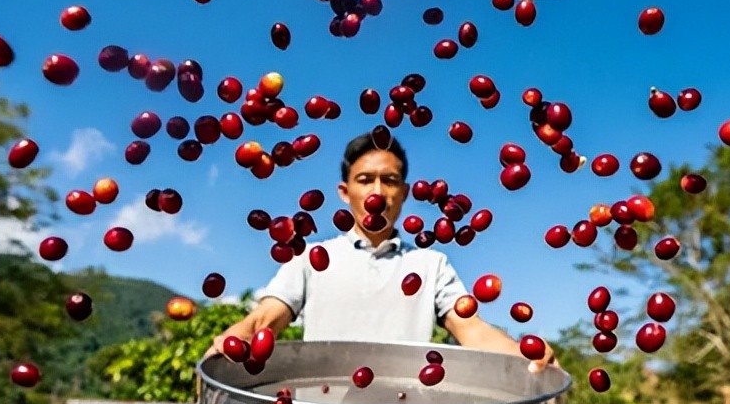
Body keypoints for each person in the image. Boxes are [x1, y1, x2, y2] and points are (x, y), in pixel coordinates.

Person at [205, 132, 556, 373]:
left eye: (389, 181)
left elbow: (471, 329)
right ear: (344, 192)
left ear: (404, 193)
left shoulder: (430, 263)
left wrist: (526, 356)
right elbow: (266, 318)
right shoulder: (310, 257)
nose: (378, 192)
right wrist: (239, 336)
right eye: (365, 180)